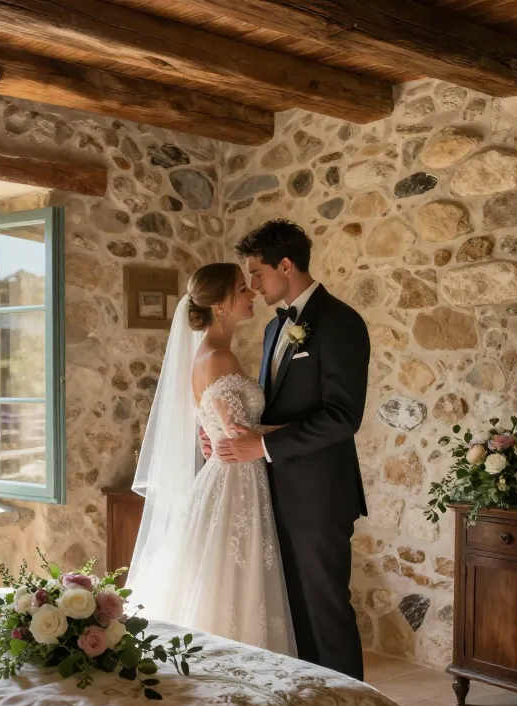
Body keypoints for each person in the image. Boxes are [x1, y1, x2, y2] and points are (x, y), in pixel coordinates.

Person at [208, 220, 370, 681]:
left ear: (285, 265)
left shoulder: (341, 322)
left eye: (257, 274)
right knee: (292, 608)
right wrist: (229, 436)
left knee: (326, 608)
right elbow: (273, 408)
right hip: (270, 488)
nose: (253, 286)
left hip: (319, 493)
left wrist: (258, 443)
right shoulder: (272, 329)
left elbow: (343, 416)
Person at [127, 263, 296, 655]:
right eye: (242, 289)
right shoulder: (218, 358)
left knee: (225, 579)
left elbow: (223, 425)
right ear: (220, 303)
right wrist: (300, 430)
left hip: (230, 474)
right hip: (235, 480)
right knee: (233, 580)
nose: (251, 293)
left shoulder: (211, 354)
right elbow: (240, 434)